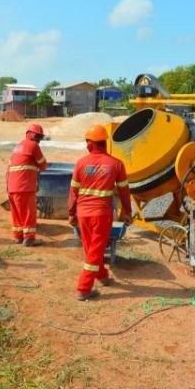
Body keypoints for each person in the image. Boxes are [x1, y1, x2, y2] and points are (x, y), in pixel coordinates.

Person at [68, 125, 132, 301]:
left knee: (91, 248)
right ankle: (83, 288)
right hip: (102, 215)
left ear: (90, 143)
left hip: (83, 214)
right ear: (104, 142)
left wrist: (71, 213)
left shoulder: (81, 163)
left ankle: (102, 275)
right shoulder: (116, 164)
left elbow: (73, 192)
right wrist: (128, 212)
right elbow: (125, 192)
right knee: (95, 250)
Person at [7, 124, 47, 246]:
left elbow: (9, 167)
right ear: (29, 134)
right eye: (37, 136)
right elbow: (43, 165)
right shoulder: (33, 146)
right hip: (24, 186)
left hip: (12, 186)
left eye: (41, 137)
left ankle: (18, 236)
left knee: (17, 213)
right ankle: (29, 238)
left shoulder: (17, 147)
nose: (39, 140)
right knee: (29, 212)